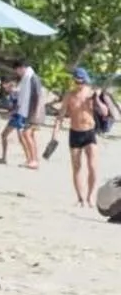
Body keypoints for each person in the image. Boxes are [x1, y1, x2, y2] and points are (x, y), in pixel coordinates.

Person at [53, 67, 102, 207]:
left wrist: (96, 100)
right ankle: (80, 198)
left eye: (81, 81)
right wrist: (55, 135)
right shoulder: (69, 95)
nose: (78, 84)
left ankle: (90, 196)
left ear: (85, 81)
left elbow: (104, 112)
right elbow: (60, 116)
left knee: (92, 167)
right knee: (77, 167)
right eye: (76, 81)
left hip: (89, 132)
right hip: (75, 133)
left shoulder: (91, 94)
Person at [0, 58, 43, 170]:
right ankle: (31, 160)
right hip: (22, 113)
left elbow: (38, 95)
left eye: (17, 70)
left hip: (25, 114)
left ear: (21, 68)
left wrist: (36, 113)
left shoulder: (31, 78)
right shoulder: (25, 79)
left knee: (25, 136)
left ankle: (32, 160)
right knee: (24, 136)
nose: (16, 73)